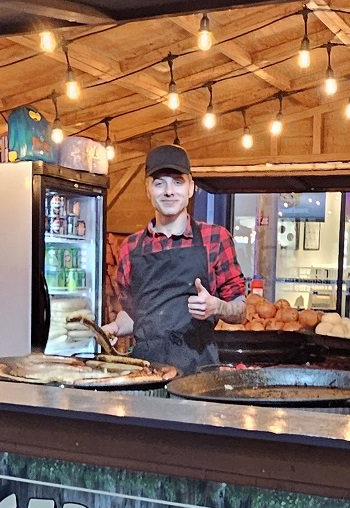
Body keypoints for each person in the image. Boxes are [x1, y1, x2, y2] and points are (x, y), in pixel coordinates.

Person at [103, 145, 247, 372]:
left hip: (199, 378)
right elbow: (133, 315)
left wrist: (216, 306)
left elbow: (240, 311)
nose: (169, 191)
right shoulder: (130, 248)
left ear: (191, 187)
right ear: (148, 189)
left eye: (178, 182)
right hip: (146, 375)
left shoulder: (216, 239)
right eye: (159, 183)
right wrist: (114, 327)